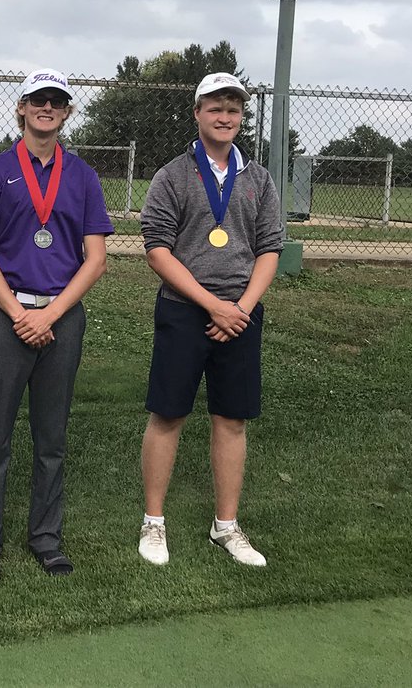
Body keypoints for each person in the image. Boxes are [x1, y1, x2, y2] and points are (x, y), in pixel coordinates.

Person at [0, 69, 113, 581]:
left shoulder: (84, 176)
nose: (46, 107)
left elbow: (95, 259)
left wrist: (49, 314)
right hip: (8, 316)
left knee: (52, 436)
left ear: (68, 112)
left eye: (57, 101)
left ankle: (46, 537)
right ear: (22, 108)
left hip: (61, 318)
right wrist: (20, 314)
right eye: (37, 100)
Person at [137, 72, 283, 567]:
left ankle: (227, 526)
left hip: (241, 317)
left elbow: (269, 249)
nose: (225, 118)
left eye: (234, 110)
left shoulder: (258, 179)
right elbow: (157, 249)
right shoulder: (173, 175)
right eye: (216, 108)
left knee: (232, 419)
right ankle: (154, 523)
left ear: (242, 117)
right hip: (184, 312)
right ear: (197, 113)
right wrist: (211, 305)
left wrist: (239, 308)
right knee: (169, 414)